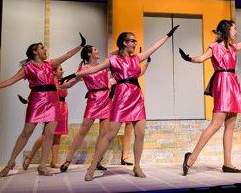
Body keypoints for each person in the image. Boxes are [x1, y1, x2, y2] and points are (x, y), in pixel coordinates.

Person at [60, 26, 179, 181]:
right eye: (132, 41)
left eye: (135, 41)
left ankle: (137, 166)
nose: (135, 43)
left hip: (136, 97)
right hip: (121, 98)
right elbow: (92, 70)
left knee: (140, 134)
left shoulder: (137, 58)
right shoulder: (112, 60)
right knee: (109, 134)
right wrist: (75, 74)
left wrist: (168, 35)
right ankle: (92, 167)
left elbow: (154, 47)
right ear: (124, 43)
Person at [179, 19, 241, 175]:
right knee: (216, 124)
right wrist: (189, 58)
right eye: (234, 29)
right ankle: (191, 158)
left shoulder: (233, 47)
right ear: (226, 30)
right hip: (222, 83)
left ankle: (228, 164)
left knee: (230, 126)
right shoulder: (215, 47)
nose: (236, 32)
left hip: (232, 84)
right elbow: (202, 58)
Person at [0, 33, 85, 177]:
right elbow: (12, 80)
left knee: (49, 134)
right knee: (26, 132)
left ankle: (43, 165)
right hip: (37, 100)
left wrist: (81, 46)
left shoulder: (49, 64)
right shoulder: (28, 68)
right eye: (42, 48)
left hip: (53, 100)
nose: (45, 50)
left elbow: (66, 55)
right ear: (35, 51)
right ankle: (11, 162)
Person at [59, 45, 112, 172]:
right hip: (93, 100)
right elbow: (71, 83)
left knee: (103, 133)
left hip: (107, 99)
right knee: (83, 130)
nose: (98, 51)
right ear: (88, 54)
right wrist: (56, 85)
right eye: (95, 50)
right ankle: (68, 160)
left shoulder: (104, 65)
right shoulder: (84, 69)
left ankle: (97, 161)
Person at [23, 65, 71, 169]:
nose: (63, 71)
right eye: (60, 69)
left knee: (58, 136)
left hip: (63, 108)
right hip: (52, 107)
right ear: (53, 71)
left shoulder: (62, 80)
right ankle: (29, 157)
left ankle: (54, 162)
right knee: (45, 135)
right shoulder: (48, 81)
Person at [120, 50, 151, 166]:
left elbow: (138, 73)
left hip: (131, 95)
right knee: (109, 130)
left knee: (129, 126)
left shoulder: (132, 64)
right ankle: (98, 160)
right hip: (117, 94)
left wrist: (147, 62)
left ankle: (125, 157)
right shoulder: (116, 61)